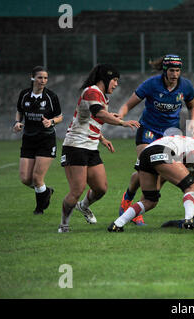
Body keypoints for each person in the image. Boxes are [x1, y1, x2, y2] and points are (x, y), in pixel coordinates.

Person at [117, 54, 194, 226]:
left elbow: (192, 106)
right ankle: (127, 200)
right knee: (145, 169)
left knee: (160, 174)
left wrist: (192, 124)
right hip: (147, 131)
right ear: (165, 70)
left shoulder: (186, 86)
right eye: (171, 70)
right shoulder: (152, 84)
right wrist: (121, 116)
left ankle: (139, 208)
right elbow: (129, 104)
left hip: (170, 135)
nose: (175, 74)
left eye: (177, 70)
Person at [58, 64, 140, 233]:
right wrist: (122, 122)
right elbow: (99, 114)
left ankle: (83, 206)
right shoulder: (92, 91)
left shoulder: (103, 97)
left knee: (101, 188)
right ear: (105, 78)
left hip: (91, 147)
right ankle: (63, 225)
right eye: (115, 80)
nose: (116, 84)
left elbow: (91, 120)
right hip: (75, 146)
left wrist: (102, 139)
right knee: (77, 189)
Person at [107, 135, 194, 232]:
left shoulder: (189, 149)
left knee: (150, 200)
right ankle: (189, 220)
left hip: (146, 154)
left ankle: (117, 224)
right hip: (162, 152)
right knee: (190, 188)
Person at [13, 66, 63, 215]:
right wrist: (17, 122)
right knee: (25, 179)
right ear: (32, 78)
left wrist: (51, 122)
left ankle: (39, 208)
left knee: (37, 177)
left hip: (46, 139)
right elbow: (19, 111)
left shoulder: (51, 97)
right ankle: (46, 191)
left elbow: (60, 117)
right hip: (28, 139)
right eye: (40, 77)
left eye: (45, 78)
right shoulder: (24, 95)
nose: (43, 80)